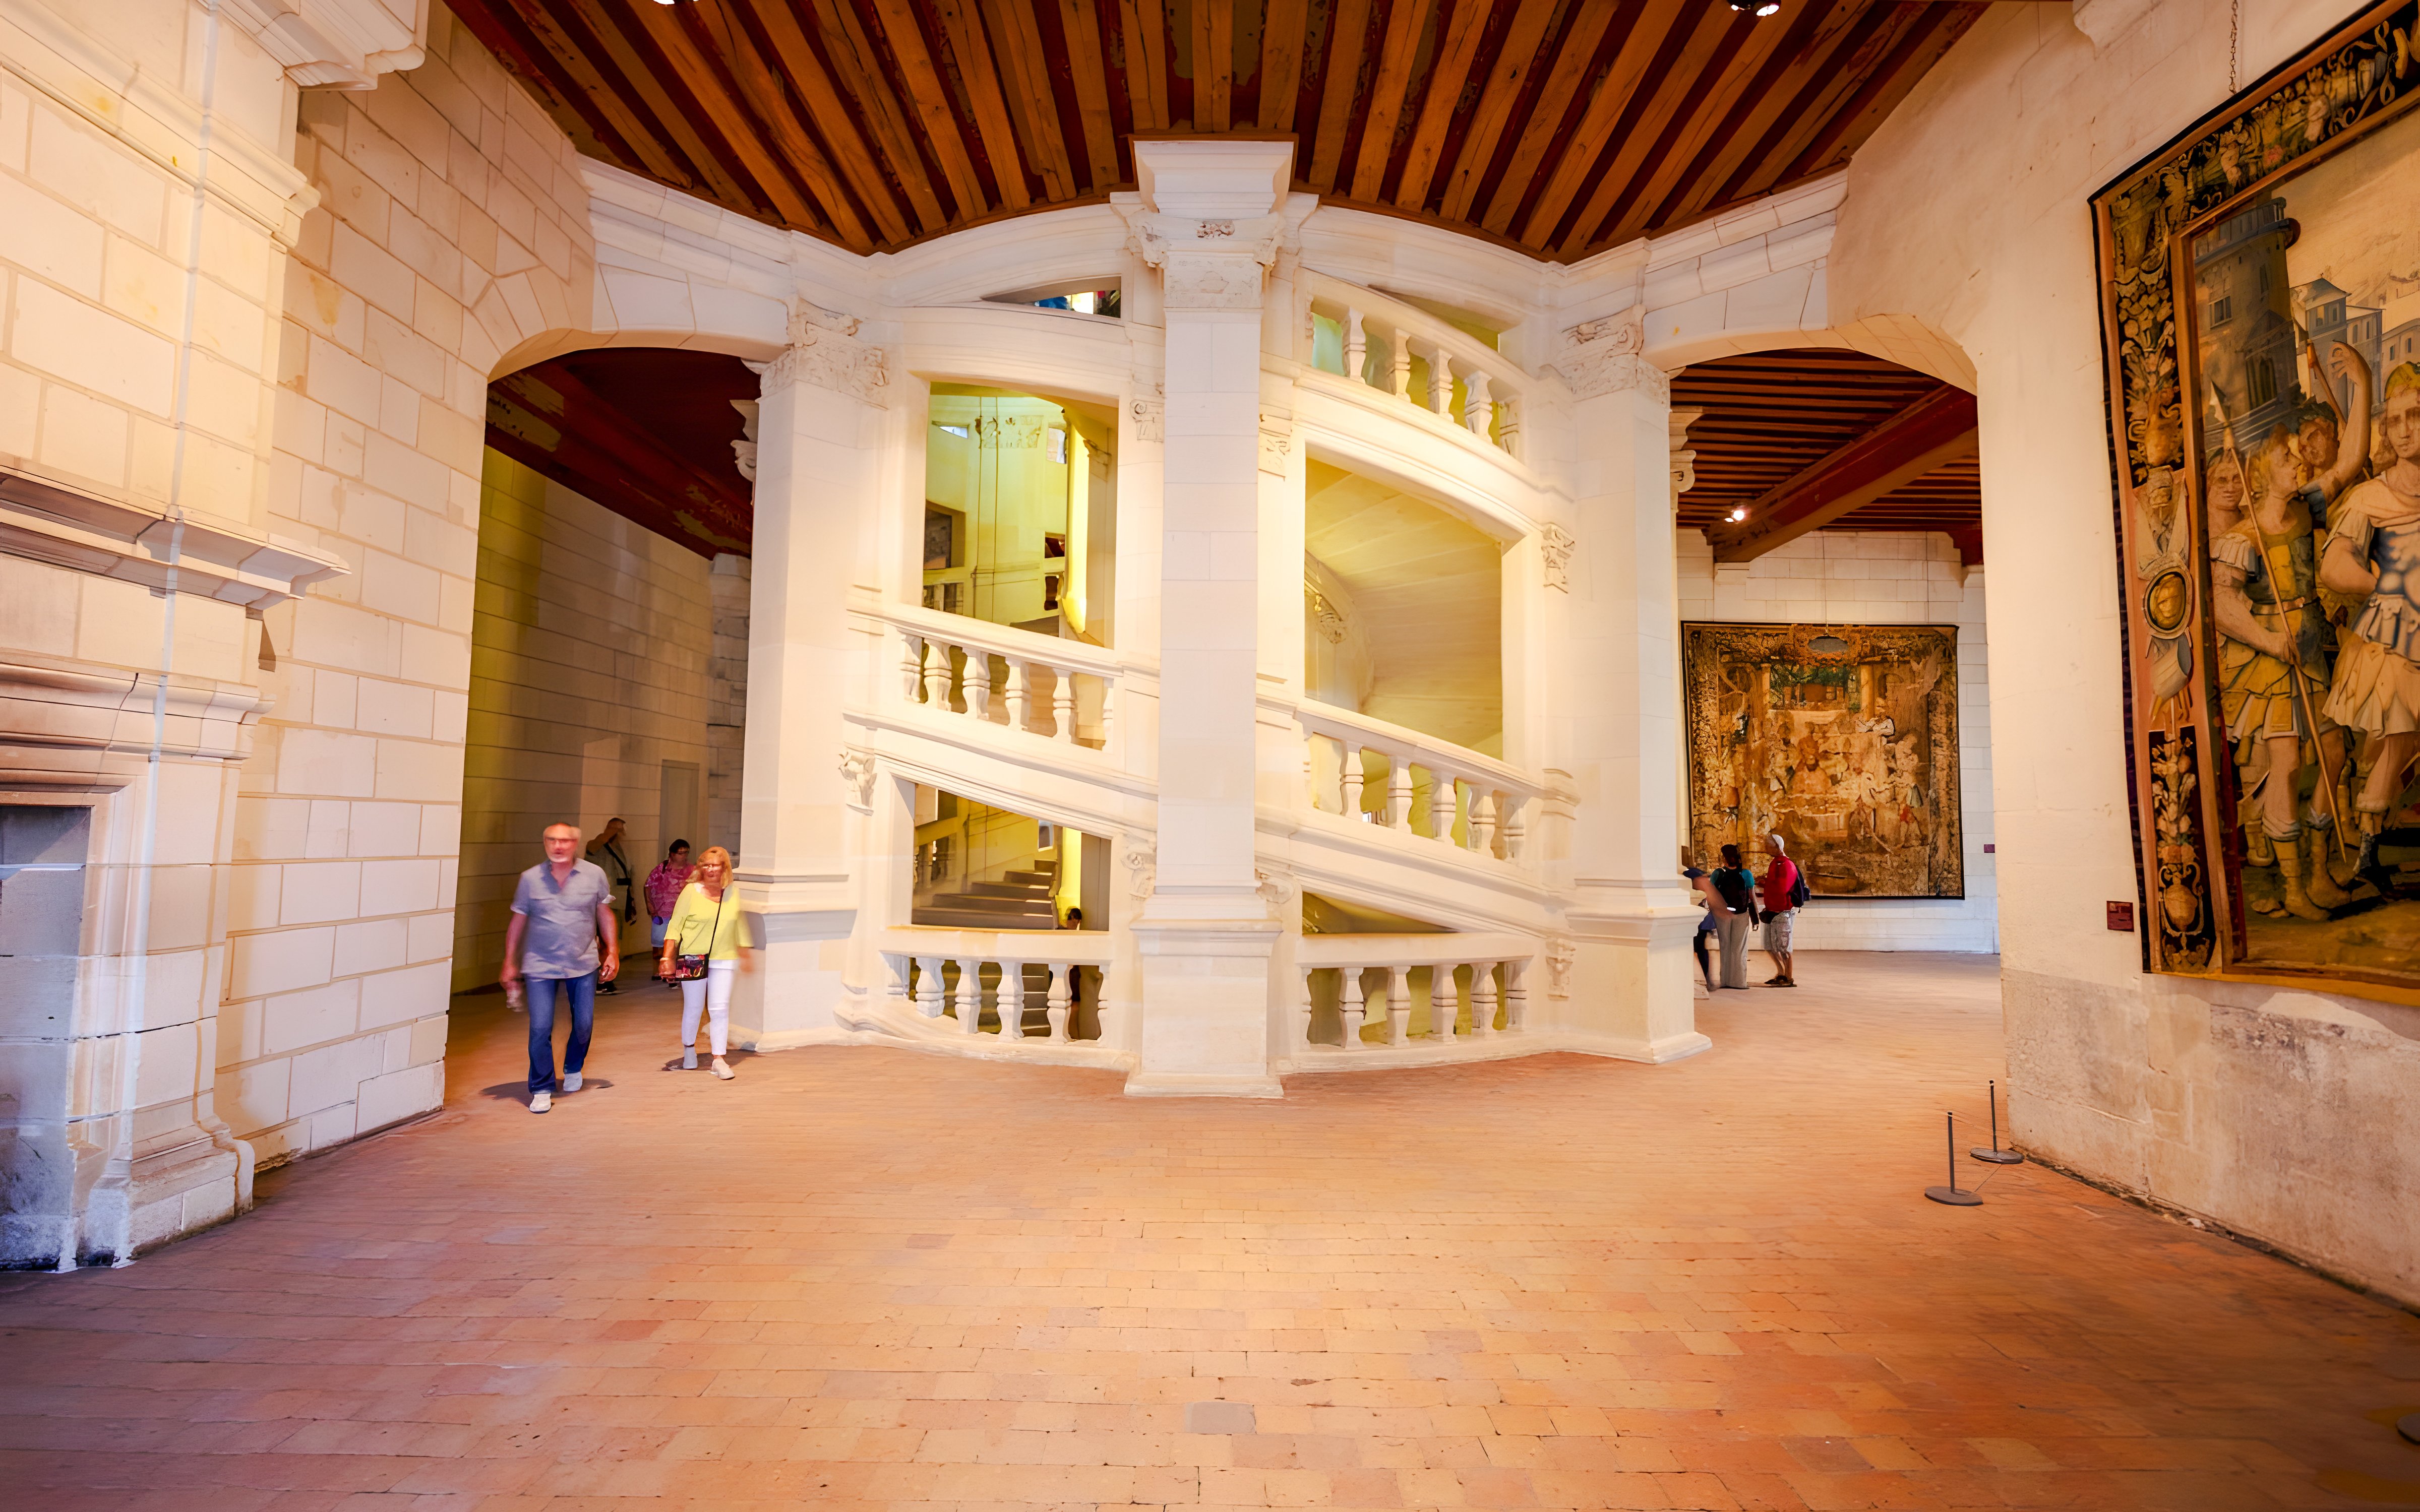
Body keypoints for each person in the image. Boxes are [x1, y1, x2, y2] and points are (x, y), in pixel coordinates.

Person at [2324, 359, 2420, 884]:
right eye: (2396, 420)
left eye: (2416, 416)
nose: (2405, 430)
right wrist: (2376, 583)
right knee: (2396, 736)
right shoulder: (2371, 497)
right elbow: (2334, 565)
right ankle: (2368, 847)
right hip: (2395, 637)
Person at [503, 822, 620, 1113]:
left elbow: (604, 913)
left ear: (575, 843)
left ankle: (573, 1066)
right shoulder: (530, 879)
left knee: (583, 1024)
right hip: (540, 964)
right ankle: (541, 1088)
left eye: (564, 841)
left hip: (583, 962)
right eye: (552, 840)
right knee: (540, 1027)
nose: (558, 846)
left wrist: (613, 952)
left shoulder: (594, 874)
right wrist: (509, 962)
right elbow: (518, 921)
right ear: (545, 843)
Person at [658, 845, 747, 1079]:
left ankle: (719, 1059)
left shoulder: (733, 892)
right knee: (694, 1007)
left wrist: (746, 952)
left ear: (724, 867)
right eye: (706, 865)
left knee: (720, 1008)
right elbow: (675, 925)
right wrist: (667, 957)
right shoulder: (691, 891)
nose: (710, 869)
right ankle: (689, 1052)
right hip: (693, 957)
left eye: (715, 865)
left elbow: (739, 923)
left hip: (725, 957)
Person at [585, 817, 637, 993]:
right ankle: (602, 979)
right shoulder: (598, 845)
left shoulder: (620, 848)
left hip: (621, 898)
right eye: (618, 830)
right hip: (605, 900)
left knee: (614, 940)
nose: (621, 833)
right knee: (604, 942)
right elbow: (592, 848)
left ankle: (607, 976)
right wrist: (610, 831)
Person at [1708, 844, 1760, 990]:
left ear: (1724, 857)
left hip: (1722, 915)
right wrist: (1756, 916)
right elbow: (1752, 897)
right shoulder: (1746, 874)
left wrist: (1713, 912)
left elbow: (1711, 894)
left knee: (1725, 947)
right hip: (1741, 914)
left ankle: (1725, 981)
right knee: (1739, 948)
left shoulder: (1718, 873)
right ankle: (1739, 982)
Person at [643, 839, 694, 990]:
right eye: (680, 853)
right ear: (672, 854)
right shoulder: (662, 869)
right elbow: (648, 886)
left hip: (684, 913)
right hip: (663, 911)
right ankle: (659, 970)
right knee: (659, 944)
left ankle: (675, 974)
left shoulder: (692, 870)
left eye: (686, 853)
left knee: (679, 945)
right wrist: (650, 906)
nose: (683, 856)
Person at [1760, 833, 1801, 987]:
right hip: (1772, 910)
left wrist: (1766, 884)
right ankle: (1781, 973)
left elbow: (1782, 888)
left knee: (1784, 947)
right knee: (1769, 946)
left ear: (1776, 846)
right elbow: (1774, 884)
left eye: (1768, 845)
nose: (1765, 848)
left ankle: (1788, 977)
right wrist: (1765, 883)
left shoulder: (1787, 864)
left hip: (1784, 911)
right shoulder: (1775, 863)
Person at [1680, 859, 1722, 992]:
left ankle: (1708, 980)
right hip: (1701, 923)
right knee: (1699, 950)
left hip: (1701, 924)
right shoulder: (1699, 881)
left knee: (1699, 949)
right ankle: (1708, 980)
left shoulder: (1697, 881)